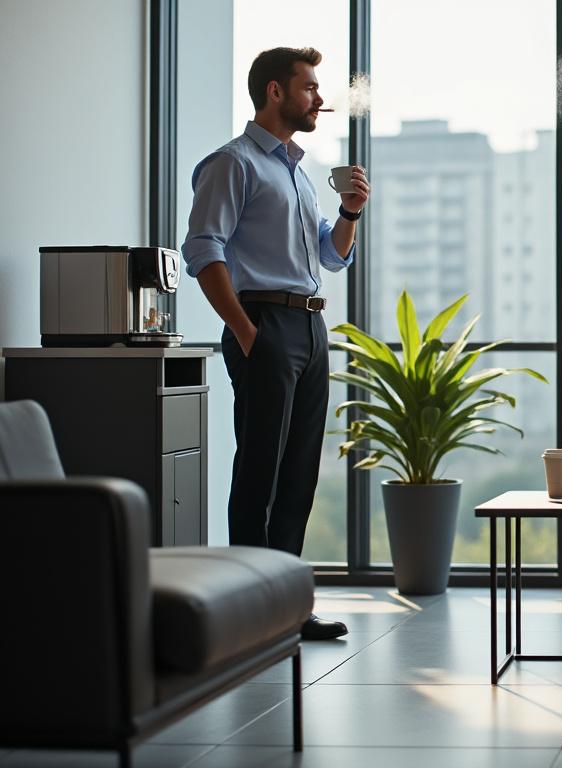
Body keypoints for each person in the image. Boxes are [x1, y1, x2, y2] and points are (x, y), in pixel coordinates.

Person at [182, 47, 369, 641]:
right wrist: (245, 332)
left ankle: (287, 606)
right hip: (264, 323)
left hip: (310, 329)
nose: (320, 98)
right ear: (274, 92)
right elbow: (203, 250)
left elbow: (331, 255)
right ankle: (250, 609)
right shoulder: (231, 164)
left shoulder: (294, 169)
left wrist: (349, 211)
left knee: (299, 472)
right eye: (310, 88)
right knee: (260, 468)